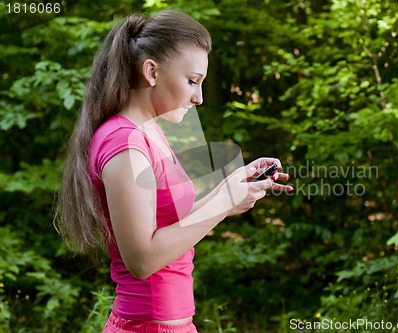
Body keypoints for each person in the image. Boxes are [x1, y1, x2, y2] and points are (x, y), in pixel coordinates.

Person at [54, 10, 293, 333]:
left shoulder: (148, 133)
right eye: (192, 81)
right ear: (151, 71)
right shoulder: (125, 143)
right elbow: (142, 260)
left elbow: (171, 225)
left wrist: (231, 190)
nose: (199, 97)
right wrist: (222, 201)